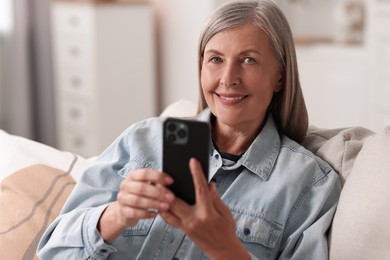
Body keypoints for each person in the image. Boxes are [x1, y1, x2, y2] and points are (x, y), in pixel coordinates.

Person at [37, 0, 341, 259]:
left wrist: (226, 249)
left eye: (248, 60)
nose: (228, 78)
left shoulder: (309, 185)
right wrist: (116, 216)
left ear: (280, 77)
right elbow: (51, 250)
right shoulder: (143, 142)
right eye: (216, 60)